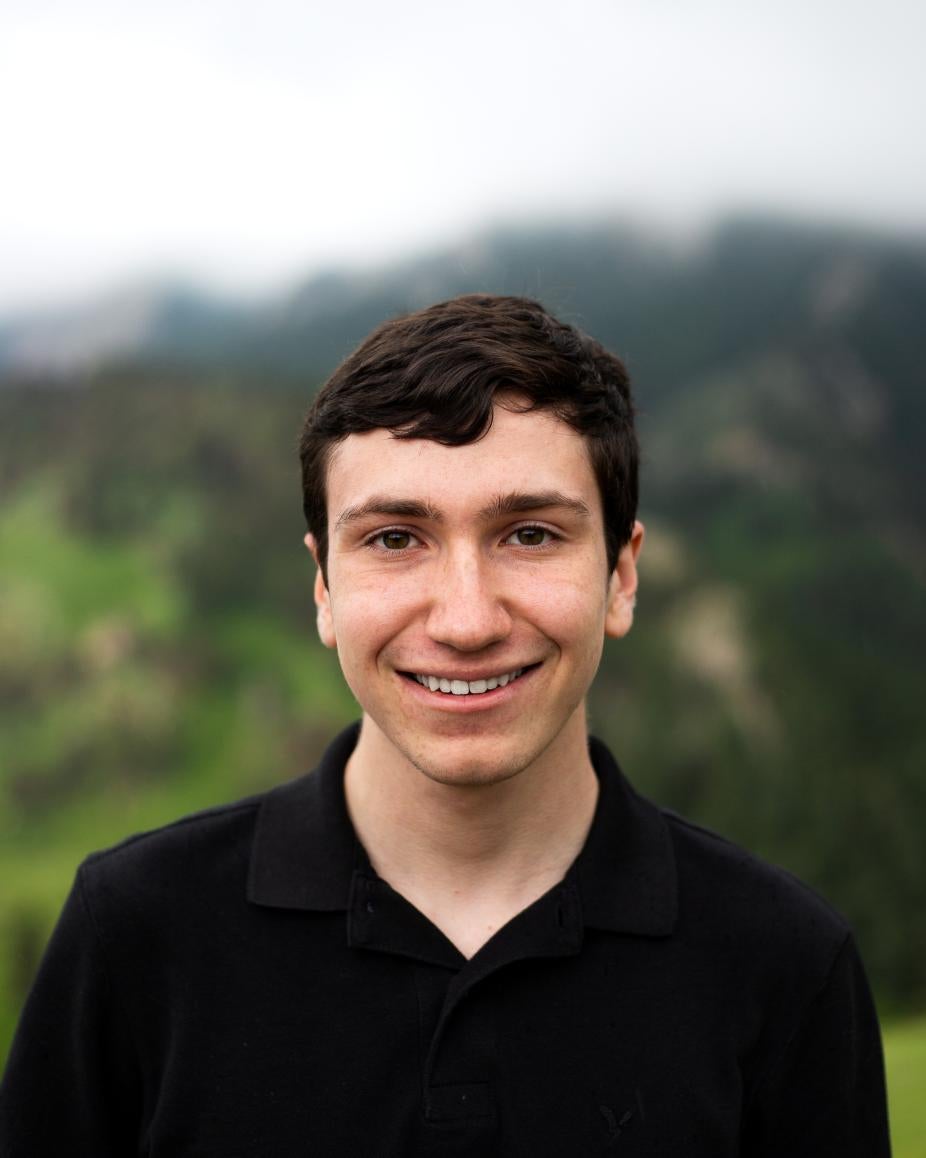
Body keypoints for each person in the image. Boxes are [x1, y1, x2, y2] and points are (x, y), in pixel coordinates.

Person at [0, 294, 890, 1155]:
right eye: (395, 539)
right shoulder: (133, 935)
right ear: (324, 588)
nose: (466, 622)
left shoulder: (787, 967)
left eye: (530, 534)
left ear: (621, 576)